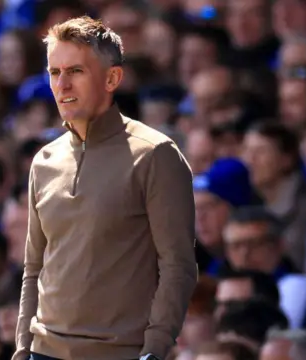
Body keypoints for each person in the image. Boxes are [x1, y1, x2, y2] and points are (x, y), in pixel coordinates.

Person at [14, 16, 197, 360]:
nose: (62, 84)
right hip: (44, 352)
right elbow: (35, 266)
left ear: (112, 77)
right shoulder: (44, 160)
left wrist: (154, 350)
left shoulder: (156, 155)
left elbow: (177, 265)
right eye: (55, 72)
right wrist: (23, 348)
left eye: (76, 71)